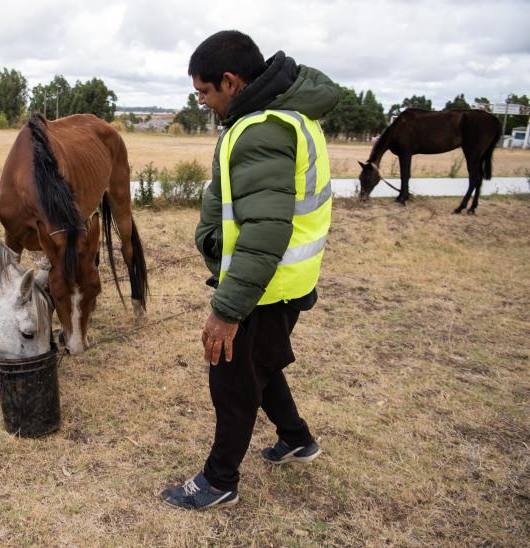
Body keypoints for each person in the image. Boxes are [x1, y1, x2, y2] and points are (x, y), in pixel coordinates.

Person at [161, 30, 338, 510]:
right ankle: (297, 439)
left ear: (231, 81)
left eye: (203, 92)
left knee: (233, 381)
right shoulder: (282, 117)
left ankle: (219, 481)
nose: (201, 101)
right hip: (283, 282)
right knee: (262, 365)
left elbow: (265, 231)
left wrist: (228, 308)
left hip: (265, 286)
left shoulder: (262, 130)